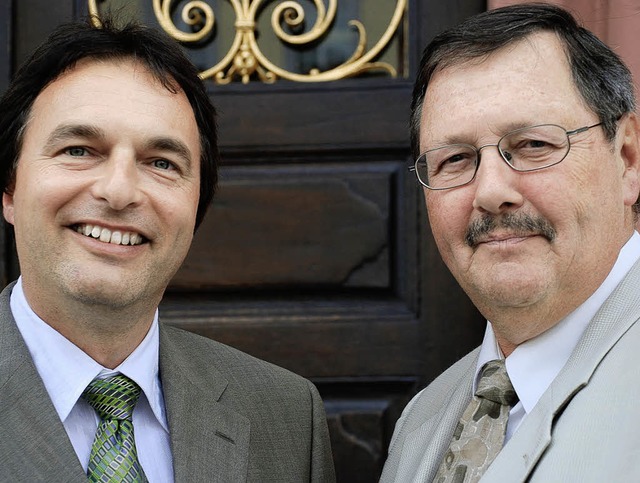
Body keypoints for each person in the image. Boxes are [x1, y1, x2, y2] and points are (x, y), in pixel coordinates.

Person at [0, 17, 335, 482]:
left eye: (161, 163)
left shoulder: (285, 415)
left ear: (197, 204)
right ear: (10, 189)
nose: (119, 192)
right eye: (79, 150)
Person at [381, 3, 640, 482]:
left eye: (533, 146)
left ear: (626, 159)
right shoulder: (422, 420)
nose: (492, 191)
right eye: (455, 159)